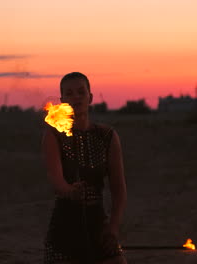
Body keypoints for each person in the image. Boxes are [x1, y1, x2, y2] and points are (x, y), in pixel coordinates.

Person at [42, 72, 128, 264]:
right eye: (70, 94)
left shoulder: (108, 136)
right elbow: (57, 182)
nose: (76, 98)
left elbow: (119, 189)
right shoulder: (53, 136)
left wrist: (113, 226)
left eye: (81, 92)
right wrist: (70, 190)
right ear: (62, 100)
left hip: (98, 223)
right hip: (64, 226)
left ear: (90, 97)